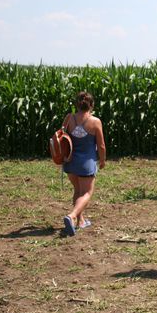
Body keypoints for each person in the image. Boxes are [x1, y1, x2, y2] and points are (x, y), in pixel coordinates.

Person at [61, 91, 106, 236]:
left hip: (70, 162)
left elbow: (61, 137)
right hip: (86, 164)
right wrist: (103, 160)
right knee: (87, 192)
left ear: (77, 104)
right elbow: (101, 145)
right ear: (91, 105)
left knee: (78, 191)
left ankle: (81, 221)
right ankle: (72, 216)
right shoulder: (95, 122)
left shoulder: (69, 118)